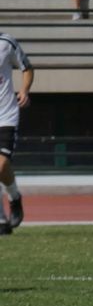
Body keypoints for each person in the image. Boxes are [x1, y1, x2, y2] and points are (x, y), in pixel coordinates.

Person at [0, 33, 33, 236]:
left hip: (6, 116)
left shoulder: (6, 43)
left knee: (1, 165)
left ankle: (14, 198)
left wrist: (24, 90)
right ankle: (2, 221)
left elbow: (27, 68)